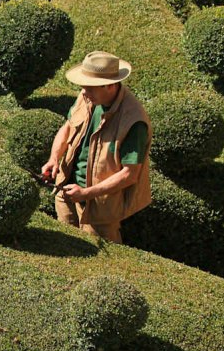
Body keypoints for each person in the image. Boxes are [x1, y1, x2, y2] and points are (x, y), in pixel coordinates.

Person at [41, 51, 152, 243]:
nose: (84, 91)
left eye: (90, 87)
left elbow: (130, 174)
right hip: (66, 190)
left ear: (109, 86)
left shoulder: (134, 121)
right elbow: (67, 127)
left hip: (100, 208)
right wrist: (54, 158)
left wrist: (86, 193)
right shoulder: (88, 97)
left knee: (102, 259)